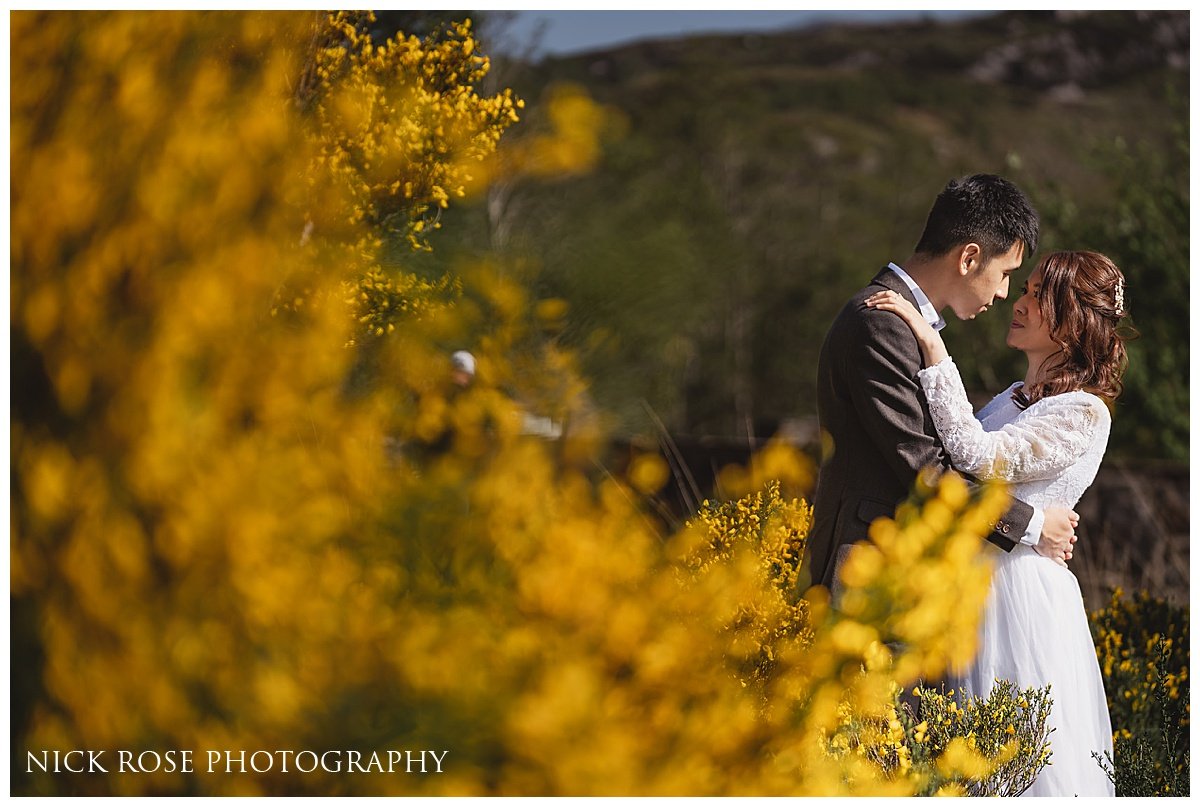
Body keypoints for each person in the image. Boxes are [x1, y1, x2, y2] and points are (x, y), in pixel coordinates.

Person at [866, 249, 1130, 796]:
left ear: (1072, 320)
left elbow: (978, 455)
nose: (1019, 302)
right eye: (1025, 287)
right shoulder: (1014, 398)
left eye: (1037, 294)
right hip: (970, 586)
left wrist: (931, 344)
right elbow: (949, 458)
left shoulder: (1084, 411)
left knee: (1018, 763)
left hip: (1019, 596)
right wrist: (1035, 523)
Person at [804, 174, 1079, 597]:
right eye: (1005, 274)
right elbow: (927, 468)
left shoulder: (903, 322)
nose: (1006, 293)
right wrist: (1034, 526)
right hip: (863, 571)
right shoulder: (881, 323)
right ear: (969, 258)